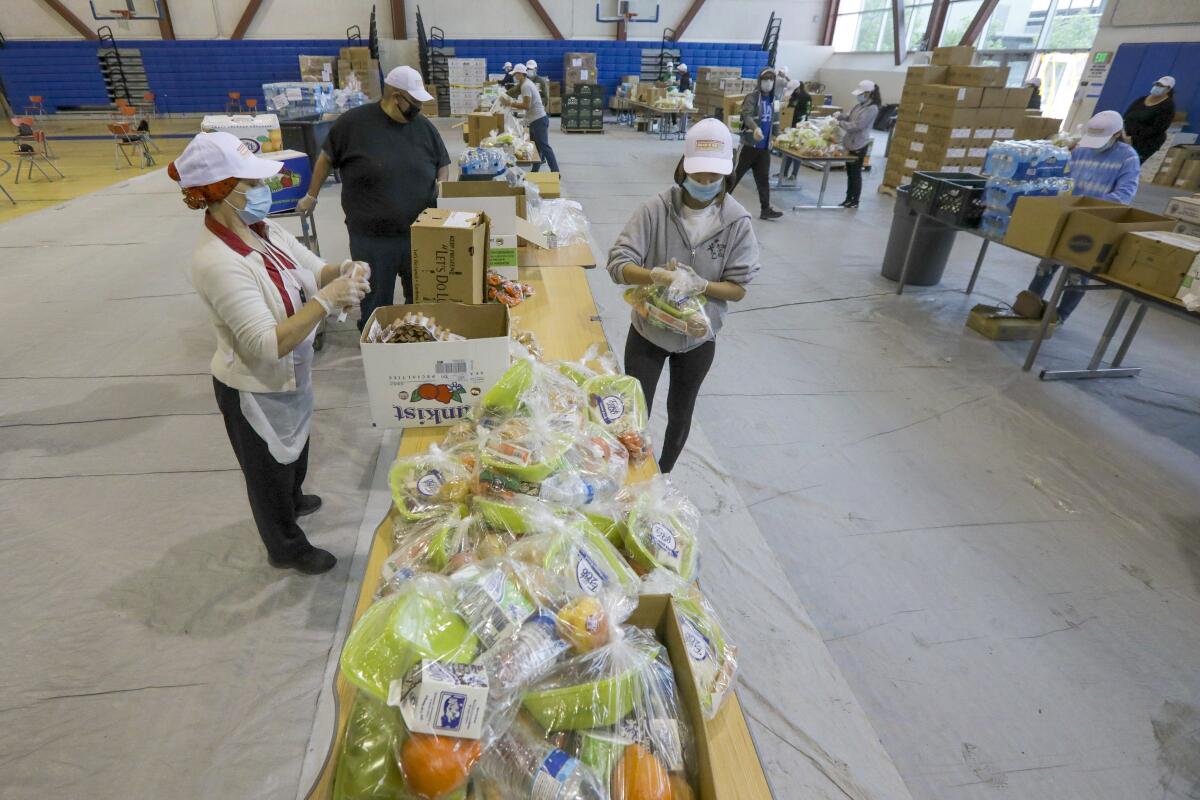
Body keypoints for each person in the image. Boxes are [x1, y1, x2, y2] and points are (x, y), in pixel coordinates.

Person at [175, 132, 371, 575]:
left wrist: (343, 270)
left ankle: (294, 498)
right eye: (253, 184)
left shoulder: (264, 229)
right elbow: (264, 345)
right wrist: (325, 301)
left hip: (292, 371)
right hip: (253, 385)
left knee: (296, 448)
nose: (264, 192)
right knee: (266, 472)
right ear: (223, 191)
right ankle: (285, 545)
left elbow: (313, 268)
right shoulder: (217, 261)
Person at [607, 119, 759, 472]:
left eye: (714, 176)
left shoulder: (737, 222)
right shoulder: (655, 210)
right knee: (635, 409)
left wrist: (701, 286)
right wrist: (654, 274)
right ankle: (630, 473)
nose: (705, 182)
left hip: (697, 337)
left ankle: (663, 473)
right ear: (683, 166)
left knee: (681, 410)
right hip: (648, 331)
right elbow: (618, 264)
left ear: (727, 173)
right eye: (699, 173)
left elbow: (737, 289)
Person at [298, 66, 449, 321]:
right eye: (414, 102)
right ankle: (375, 344)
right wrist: (312, 195)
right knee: (375, 301)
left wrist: (441, 188)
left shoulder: (423, 127)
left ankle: (419, 341)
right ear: (396, 97)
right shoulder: (353, 123)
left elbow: (442, 163)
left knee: (422, 299)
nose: (419, 109)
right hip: (372, 237)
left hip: (418, 233)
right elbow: (326, 157)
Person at [1023, 110, 1140, 322]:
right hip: (1068, 216)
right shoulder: (1081, 150)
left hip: (1096, 222)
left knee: (1078, 272)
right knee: (1047, 262)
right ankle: (1029, 304)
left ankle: (1059, 316)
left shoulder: (1127, 157)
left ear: (1116, 134)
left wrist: (1091, 205)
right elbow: (1065, 179)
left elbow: (1125, 194)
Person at [730, 67, 784, 220]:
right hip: (749, 146)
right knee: (735, 175)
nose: (768, 83)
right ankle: (720, 202)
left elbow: (776, 121)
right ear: (760, 81)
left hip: (764, 149)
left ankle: (765, 209)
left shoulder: (775, 100)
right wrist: (755, 128)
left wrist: (775, 136)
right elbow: (746, 115)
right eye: (765, 79)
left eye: (771, 79)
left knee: (763, 179)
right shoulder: (752, 97)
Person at [502, 63, 560, 173]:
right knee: (536, 148)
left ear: (520, 74)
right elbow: (515, 91)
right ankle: (535, 171)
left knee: (544, 147)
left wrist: (510, 103)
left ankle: (556, 172)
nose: (514, 76)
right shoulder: (524, 83)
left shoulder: (526, 86)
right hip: (534, 120)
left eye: (515, 74)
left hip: (539, 120)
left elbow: (526, 105)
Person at [836, 79, 881, 209]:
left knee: (855, 174)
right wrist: (840, 116)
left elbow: (858, 125)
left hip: (859, 144)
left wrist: (840, 124)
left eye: (861, 94)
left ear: (868, 93)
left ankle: (854, 200)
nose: (859, 96)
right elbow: (850, 117)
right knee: (849, 173)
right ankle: (848, 198)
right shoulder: (859, 106)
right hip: (850, 142)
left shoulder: (872, 108)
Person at [1124, 75, 1177, 164]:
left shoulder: (1168, 106)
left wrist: (1133, 139)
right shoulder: (1141, 99)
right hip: (1126, 137)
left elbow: (1157, 129)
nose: (1157, 87)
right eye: (1157, 84)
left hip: (1145, 143)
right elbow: (1127, 116)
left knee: (1129, 165)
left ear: (1168, 89)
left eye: (1161, 86)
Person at [779, 79, 813, 183]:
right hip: (789, 125)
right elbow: (788, 109)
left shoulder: (806, 97)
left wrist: (800, 118)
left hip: (800, 127)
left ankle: (794, 174)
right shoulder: (793, 95)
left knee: (796, 151)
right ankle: (783, 172)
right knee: (787, 151)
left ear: (798, 88)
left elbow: (807, 111)